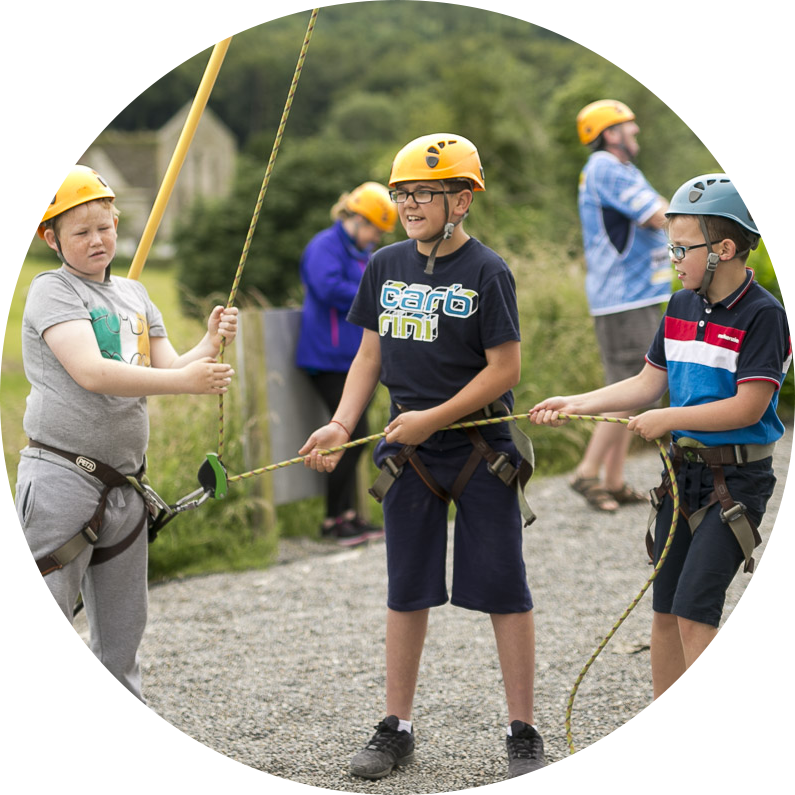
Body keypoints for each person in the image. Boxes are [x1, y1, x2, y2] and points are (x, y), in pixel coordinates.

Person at [299, 133, 547, 786]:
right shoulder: (384, 265)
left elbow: (505, 368)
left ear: (461, 200)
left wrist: (433, 418)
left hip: (479, 447)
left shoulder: (487, 271)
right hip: (407, 455)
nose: (408, 204)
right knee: (405, 589)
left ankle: (522, 727)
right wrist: (339, 423)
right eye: (401, 193)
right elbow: (367, 357)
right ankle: (395, 725)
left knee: (503, 588)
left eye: (423, 194)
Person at [531, 173, 789, 795]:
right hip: (681, 478)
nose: (670, 260)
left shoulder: (764, 316)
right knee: (665, 612)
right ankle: (666, 739)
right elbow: (646, 385)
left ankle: (706, 764)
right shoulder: (679, 308)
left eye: (680, 248)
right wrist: (579, 401)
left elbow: (748, 408)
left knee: (698, 615)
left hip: (737, 484)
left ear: (722, 249)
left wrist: (670, 418)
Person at [4, 164, 239, 795]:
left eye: (106, 227)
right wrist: (186, 381)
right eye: (81, 231)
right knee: (45, 625)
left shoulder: (135, 296)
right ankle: (26, 755)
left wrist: (208, 345)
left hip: (125, 487)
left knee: (123, 623)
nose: (98, 240)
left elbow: (169, 366)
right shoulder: (52, 293)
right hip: (60, 480)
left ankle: (134, 738)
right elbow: (94, 372)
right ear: (52, 239)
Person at [572, 99, 672, 512]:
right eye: (629, 127)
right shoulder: (605, 168)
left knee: (634, 390)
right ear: (610, 134)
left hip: (638, 295)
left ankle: (613, 478)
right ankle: (587, 472)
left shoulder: (622, 169)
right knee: (628, 390)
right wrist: (698, 215)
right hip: (623, 300)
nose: (636, 133)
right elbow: (655, 215)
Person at [295, 182, 397, 546]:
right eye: (374, 229)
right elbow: (327, 288)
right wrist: (374, 297)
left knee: (356, 440)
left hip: (352, 360)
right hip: (326, 358)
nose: (375, 238)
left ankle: (349, 516)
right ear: (356, 218)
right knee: (347, 437)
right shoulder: (325, 245)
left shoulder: (363, 253)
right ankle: (332, 521)